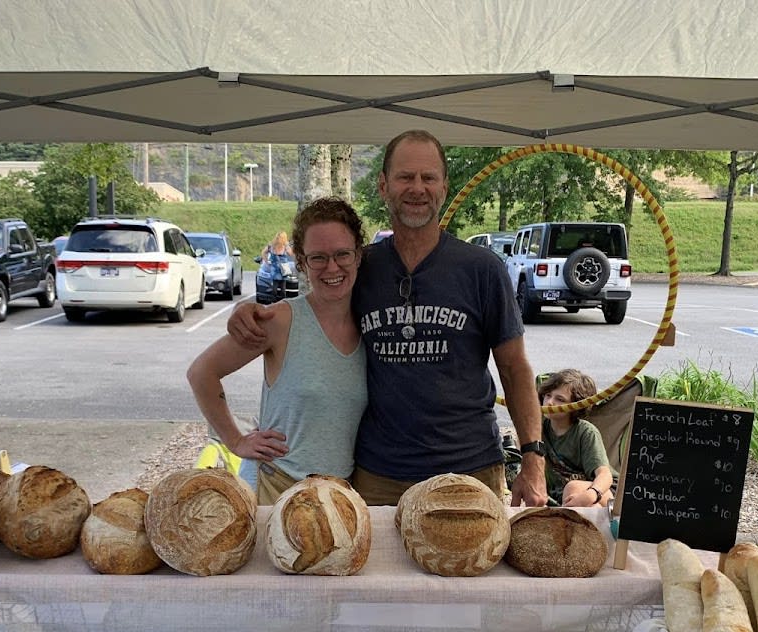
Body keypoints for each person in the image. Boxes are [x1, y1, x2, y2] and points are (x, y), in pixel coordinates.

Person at [228, 130, 547, 507]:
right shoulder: (361, 265)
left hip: (470, 467)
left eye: (428, 178)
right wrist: (244, 310)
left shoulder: (482, 270)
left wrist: (533, 459)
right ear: (383, 186)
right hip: (378, 475)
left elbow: (515, 369)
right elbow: (312, 307)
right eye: (405, 177)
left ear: (444, 187)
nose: (417, 188)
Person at [187, 198, 367, 504]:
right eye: (318, 258)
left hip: (337, 494)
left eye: (342, 254)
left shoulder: (370, 322)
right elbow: (202, 373)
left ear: (358, 255)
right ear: (302, 263)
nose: (332, 267)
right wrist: (236, 440)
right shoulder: (281, 320)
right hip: (276, 487)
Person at [538, 370, 615, 508]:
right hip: (563, 497)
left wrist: (590, 495)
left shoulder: (586, 432)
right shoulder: (539, 427)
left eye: (559, 399)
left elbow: (605, 475)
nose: (550, 402)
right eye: (548, 395)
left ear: (576, 406)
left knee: (573, 489)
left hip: (603, 492)